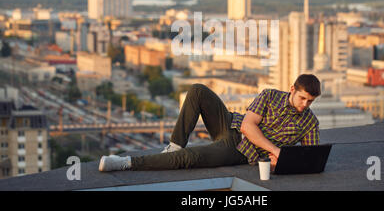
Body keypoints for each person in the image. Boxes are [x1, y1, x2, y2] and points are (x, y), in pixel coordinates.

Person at [98, 73, 321, 172]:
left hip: (241, 151)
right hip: (231, 125)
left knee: (191, 158)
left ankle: (124, 163)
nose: (304, 105)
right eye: (302, 98)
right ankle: (174, 146)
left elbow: (310, 159)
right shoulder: (270, 95)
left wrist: (281, 163)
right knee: (197, 91)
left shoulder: (310, 123)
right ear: (292, 90)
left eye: (309, 101)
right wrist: (276, 150)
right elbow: (247, 126)